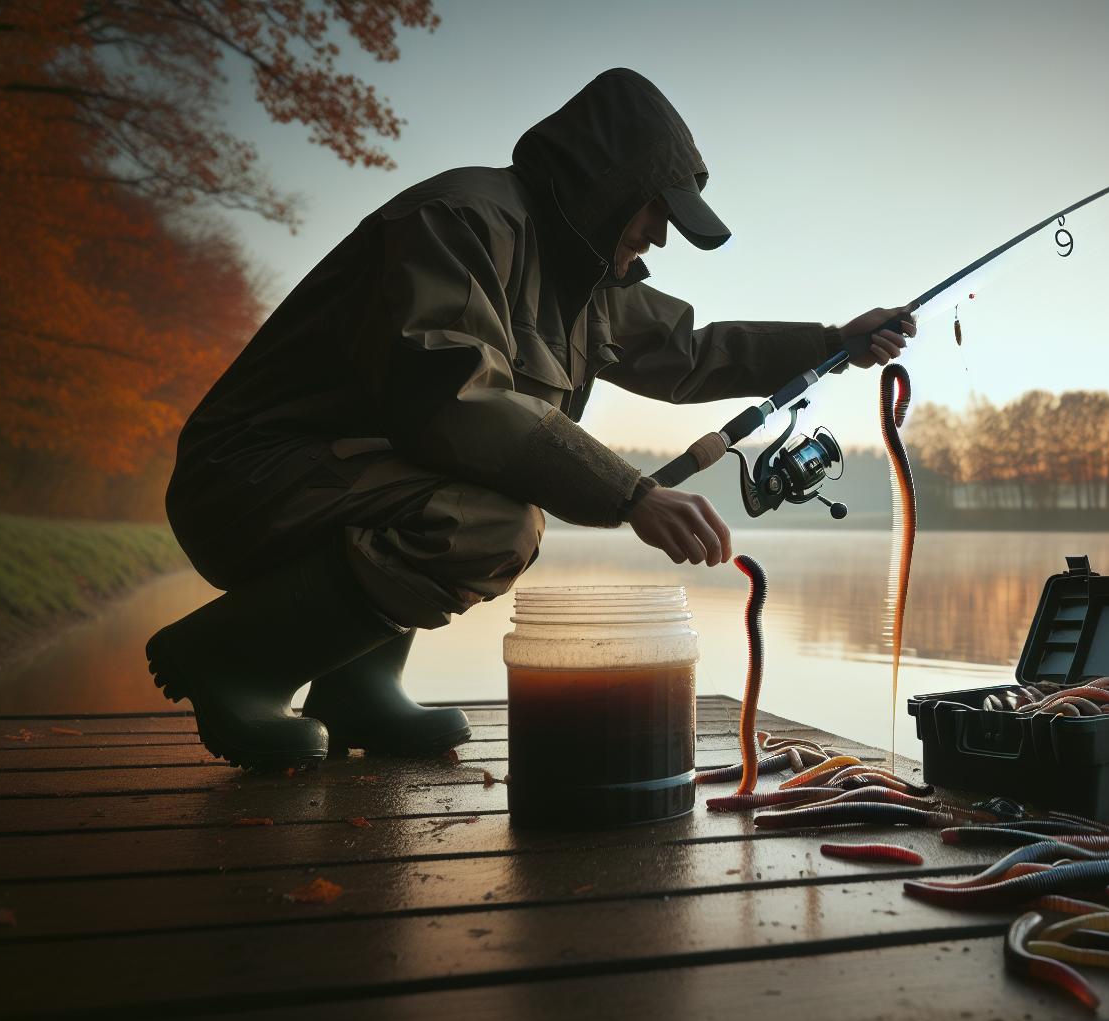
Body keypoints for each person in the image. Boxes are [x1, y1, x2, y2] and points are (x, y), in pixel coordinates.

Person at [146, 68, 915, 769]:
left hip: (333, 478)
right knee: (494, 524)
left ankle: (354, 691)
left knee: (468, 489)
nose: (660, 235)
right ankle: (233, 661)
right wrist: (630, 494)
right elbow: (454, 399)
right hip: (246, 483)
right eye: (656, 211)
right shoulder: (461, 220)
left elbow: (688, 352)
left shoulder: (581, 277)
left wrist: (832, 343)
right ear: (607, 185)